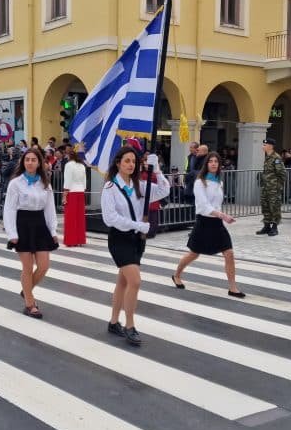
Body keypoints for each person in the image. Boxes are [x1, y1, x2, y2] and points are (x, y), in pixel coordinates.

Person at [101, 144, 171, 346]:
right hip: (120, 238)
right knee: (135, 281)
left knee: (123, 282)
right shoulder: (110, 188)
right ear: (118, 164)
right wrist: (138, 224)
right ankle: (129, 325)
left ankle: (114, 322)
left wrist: (156, 168)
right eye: (127, 161)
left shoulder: (140, 184)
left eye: (134, 161)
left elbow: (164, 190)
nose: (131, 164)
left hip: (137, 240)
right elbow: (110, 218)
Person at [171, 151, 244, 297]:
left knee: (229, 253)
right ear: (206, 164)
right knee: (193, 254)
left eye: (216, 161)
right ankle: (177, 275)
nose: (213, 164)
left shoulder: (219, 182)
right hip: (204, 222)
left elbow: (217, 204)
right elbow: (204, 206)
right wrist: (223, 215)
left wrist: (221, 216)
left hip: (217, 223)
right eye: (210, 161)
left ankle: (233, 287)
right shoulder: (200, 182)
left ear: (219, 165)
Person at [3, 147, 60, 318]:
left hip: (40, 224)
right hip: (22, 224)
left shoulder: (45, 183)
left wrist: (53, 230)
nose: (30, 162)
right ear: (23, 162)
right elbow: (10, 209)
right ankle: (30, 303)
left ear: (39, 163)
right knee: (27, 267)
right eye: (27, 159)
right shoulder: (15, 183)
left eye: (33, 160)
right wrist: (12, 233)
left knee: (44, 266)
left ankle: (26, 290)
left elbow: (50, 209)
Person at [257, 137, 285, 236]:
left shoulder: (276, 158)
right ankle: (266, 226)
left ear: (270, 146)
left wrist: (278, 186)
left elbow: (282, 173)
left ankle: (274, 227)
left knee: (274, 207)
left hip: (273, 188)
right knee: (265, 206)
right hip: (266, 187)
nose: (263, 146)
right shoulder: (267, 157)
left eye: (265, 145)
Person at [62, 147, 87, 246]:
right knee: (80, 217)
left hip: (72, 191)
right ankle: (80, 240)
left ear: (70, 155)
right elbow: (84, 182)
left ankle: (71, 240)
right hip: (81, 191)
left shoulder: (69, 165)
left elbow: (67, 181)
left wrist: (65, 195)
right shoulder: (82, 165)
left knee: (70, 217)